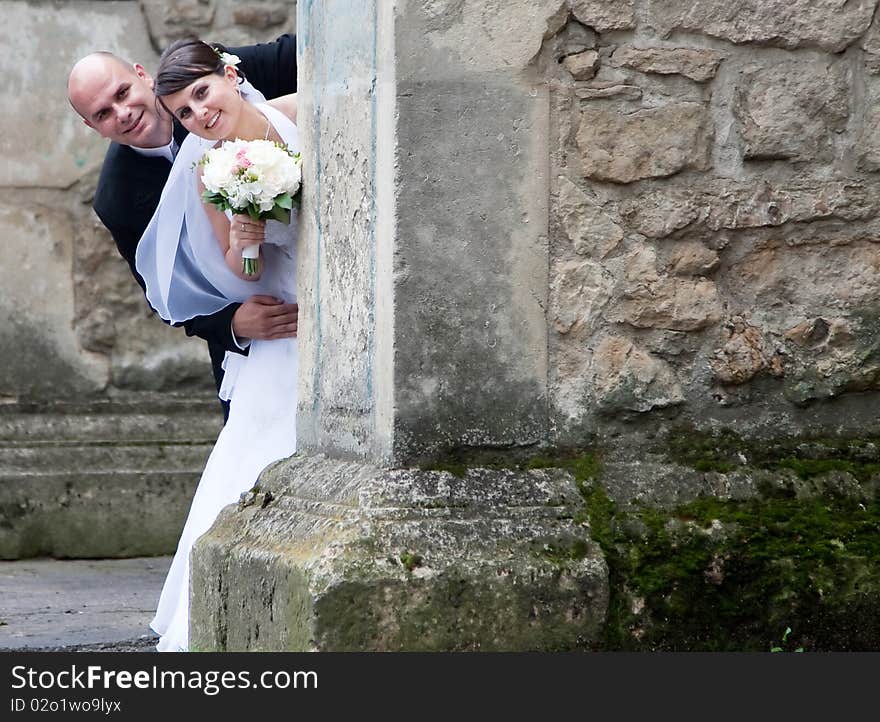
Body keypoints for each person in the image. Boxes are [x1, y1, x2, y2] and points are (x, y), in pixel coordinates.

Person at [135, 37, 301, 652]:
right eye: (183, 112)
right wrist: (248, 236)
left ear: (229, 75)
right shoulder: (211, 171)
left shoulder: (300, 110)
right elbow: (244, 274)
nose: (200, 115)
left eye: (202, 93)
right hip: (287, 321)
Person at [66, 36, 299, 420]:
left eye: (122, 93)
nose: (122, 113)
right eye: (104, 113)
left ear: (143, 75)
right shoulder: (117, 198)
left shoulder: (210, 76)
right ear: (92, 126)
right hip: (259, 324)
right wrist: (231, 323)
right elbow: (164, 289)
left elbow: (309, 50)